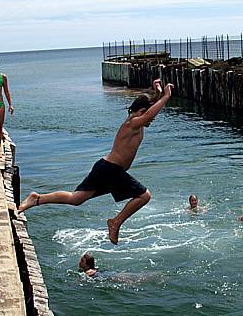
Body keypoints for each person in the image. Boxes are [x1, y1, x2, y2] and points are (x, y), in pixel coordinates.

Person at [19, 82, 174, 244]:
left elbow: (148, 109)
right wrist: (166, 96)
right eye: (151, 116)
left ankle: (37, 199)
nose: (152, 120)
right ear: (141, 112)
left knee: (76, 199)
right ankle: (116, 222)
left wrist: (157, 93)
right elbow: (149, 115)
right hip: (111, 170)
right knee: (144, 196)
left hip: (105, 168)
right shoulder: (132, 124)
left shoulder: (136, 122)